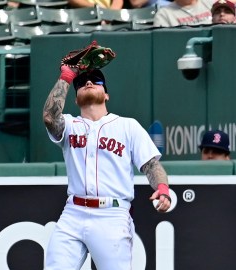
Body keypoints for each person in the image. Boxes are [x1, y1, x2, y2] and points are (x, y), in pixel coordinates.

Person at [43, 60, 171, 269]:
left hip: (111, 215)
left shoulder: (127, 126)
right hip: (73, 213)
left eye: (97, 80)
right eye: (82, 82)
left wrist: (162, 189)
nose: (89, 82)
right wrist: (67, 76)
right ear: (75, 99)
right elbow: (49, 117)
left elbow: (151, 165)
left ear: (107, 94)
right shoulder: (70, 125)